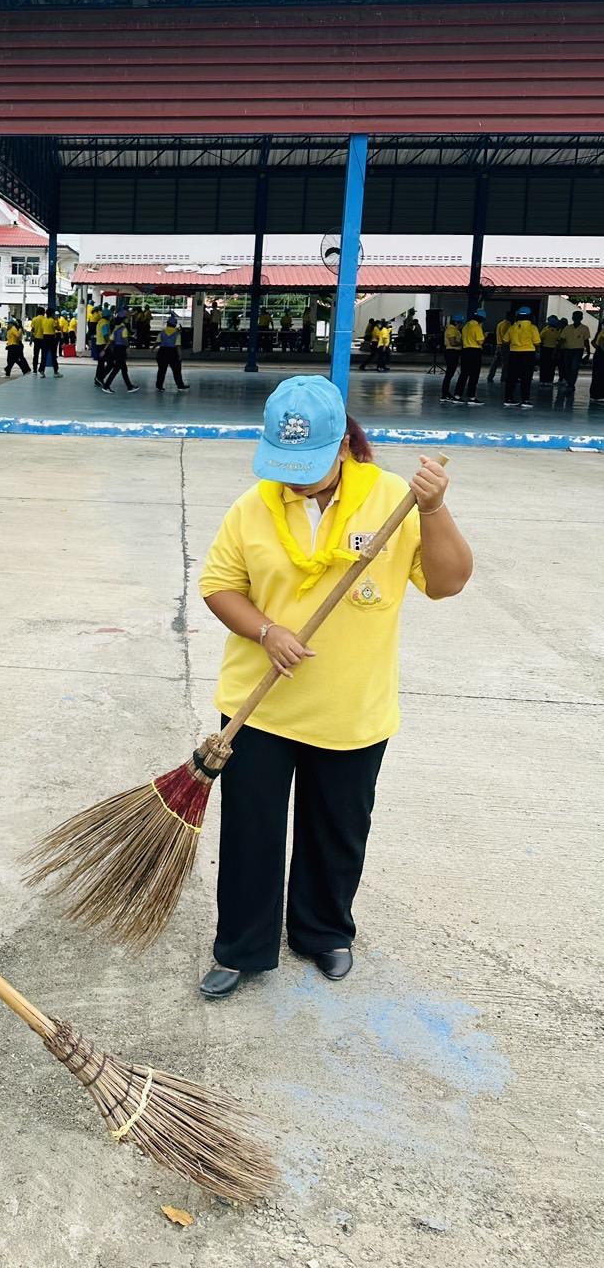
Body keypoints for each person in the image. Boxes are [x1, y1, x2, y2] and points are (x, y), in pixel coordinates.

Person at [196, 377, 472, 999]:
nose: (293, 480)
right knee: (250, 832)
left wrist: (433, 510)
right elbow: (218, 584)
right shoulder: (253, 506)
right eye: (283, 465)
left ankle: (322, 932)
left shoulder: (393, 500)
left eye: (308, 466)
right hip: (259, 706)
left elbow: (449, 582)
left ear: (345, 445)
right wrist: (265, 631)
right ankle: (242, 946)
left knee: (337, 828)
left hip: (352, 706)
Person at [502, 306, 540, 408]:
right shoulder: (532, 327)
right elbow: (537, 342)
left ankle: (508, 399)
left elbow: (505, 341)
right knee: (526, 378)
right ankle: (525, 400)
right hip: (528, 353)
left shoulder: (512, 327)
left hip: (514, 353)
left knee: (512, 377)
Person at [453, 309, 486, 405]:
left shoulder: (466, 326)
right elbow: (480, 341)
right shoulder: (477, 327)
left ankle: (457, 395)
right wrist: (485, 336)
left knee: (463, 374)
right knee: (474, 375)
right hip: (475, 352)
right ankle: (471, 397)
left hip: (465, 351)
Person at [99, 311, 137, 393]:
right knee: (116, 369)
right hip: (121, 350)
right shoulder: (124, 329)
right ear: (123, 319)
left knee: (123, 369)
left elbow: (110, 340)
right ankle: (106, 386)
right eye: (127, 318)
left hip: (117, 349)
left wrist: (104, 350)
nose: (128, 319)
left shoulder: (116, 328)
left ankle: (129, 386)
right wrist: (128, 348)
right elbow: (125, 340)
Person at [558, 311, 590, 394]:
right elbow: (562, 339)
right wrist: (557, 350)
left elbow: (586, 340)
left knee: (574, 368)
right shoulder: (567, 328)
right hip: (567, 350)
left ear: (581, 318)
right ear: (572, 318)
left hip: (578, 350)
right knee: (567, 367)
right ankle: (569, 382)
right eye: (575, 316)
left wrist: (588, 352)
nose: (576, 318)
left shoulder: (584, 328)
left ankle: (571, 385)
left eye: (578, 317)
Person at [156, 312, 189, 391]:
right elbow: (178, 346)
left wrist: (153, 348)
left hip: (162, 351)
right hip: (173, 352)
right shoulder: (177, 334)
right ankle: (180, 385)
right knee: (177, 370)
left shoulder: (162, 332)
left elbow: (158, 342)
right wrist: (180, 355)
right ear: (175, 324)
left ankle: (159, 386)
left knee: (161, 370)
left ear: (167, 324)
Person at [439, 316, 463, 402]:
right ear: (456, 322)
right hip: (451, 353)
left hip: (453, 353)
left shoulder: (453, 329)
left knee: (450, 374)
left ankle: (445, 393)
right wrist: (462, 342)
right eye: (460, 323)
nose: (461, 325)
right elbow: (453, 343)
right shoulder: (451, 330)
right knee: (449, 374)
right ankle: (444, 394)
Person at [487, 313, 512, 384]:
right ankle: (503, 378)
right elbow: (506, 337)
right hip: (505, 346)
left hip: (498, 345)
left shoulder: (499, 324)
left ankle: (490, 377)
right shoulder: (508, 324)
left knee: (495, 363)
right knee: (505, 363)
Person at [538, 314, 562, 387]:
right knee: (549, 366)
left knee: (546, 366)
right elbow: (558, 341)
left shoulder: (546, 329)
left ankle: (544, 380)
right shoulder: (556, 331)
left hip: (547, 349)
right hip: (550, 349)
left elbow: (541, 338)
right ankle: (547, 380)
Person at [93, 307, 114, 387]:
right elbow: (105, 335)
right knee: (111, 363)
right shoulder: (105, 323)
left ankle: (97, 379)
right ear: (108, 316)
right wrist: (108, 346)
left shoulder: (100, 322)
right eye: (111, 315)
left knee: (101, 363)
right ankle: (100, 377)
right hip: (103, 345)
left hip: (99, 344)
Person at [38, 308, 61, 378]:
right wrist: (56, 321)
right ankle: (55, 372)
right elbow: (58, 329)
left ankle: (42, 371)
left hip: (44, 338)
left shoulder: (44, 320)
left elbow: (42, 329)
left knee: (44, 355)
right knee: (53, 356)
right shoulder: (53, 321)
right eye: (54, 313)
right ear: (52, 314)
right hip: (51, 338)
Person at [590, 317, 604, 405]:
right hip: (601, 355)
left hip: (599, 354)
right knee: (600, 375)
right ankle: (599, 395)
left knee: (597, 375)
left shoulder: (601, 331)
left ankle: (595, 395)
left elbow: (594, 342)